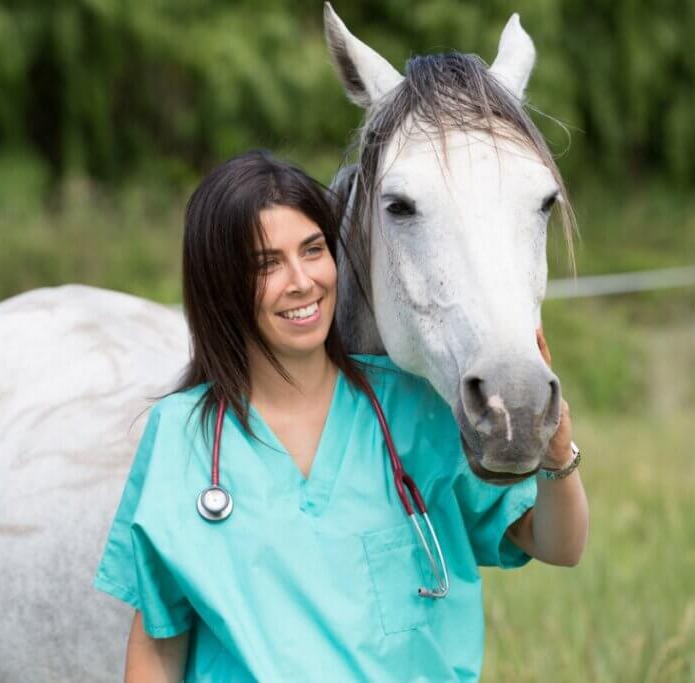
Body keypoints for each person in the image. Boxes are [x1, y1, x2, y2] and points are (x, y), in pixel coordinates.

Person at [92, 150, 589, 682]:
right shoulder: (182, 437)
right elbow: (157, 646)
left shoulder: (414, 409)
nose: (302, 281)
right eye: (267, 264)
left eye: (313, 250)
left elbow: (558, 545)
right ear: (222, 283)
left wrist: (557, 453)